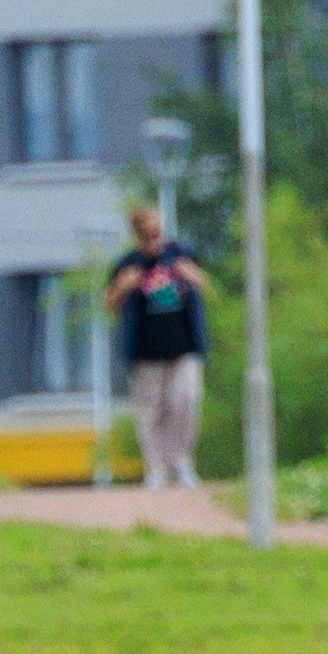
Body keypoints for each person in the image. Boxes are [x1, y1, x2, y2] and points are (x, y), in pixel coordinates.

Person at [105, 204, 210, 490]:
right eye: (149, 235)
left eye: (158, 232)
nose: (156, 239)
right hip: (145, 353)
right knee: (150, 412)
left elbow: (205, 283)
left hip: (184, 347)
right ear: (139, 236)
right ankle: (156, 470)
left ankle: (181, 463)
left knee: (186, 401)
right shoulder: (127, 264)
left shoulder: (180, 254)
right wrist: (124, 287)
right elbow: (109, 305)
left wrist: (191, 276)